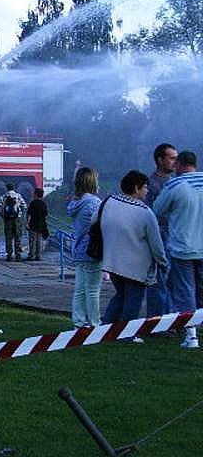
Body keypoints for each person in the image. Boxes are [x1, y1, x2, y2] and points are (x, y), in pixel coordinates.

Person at [99, 170, 167, 341]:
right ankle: (126, 335)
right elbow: (156, 244)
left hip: (112, 261)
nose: (147, 191)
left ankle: (104, 330)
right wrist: (163, 262)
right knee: (133, 301)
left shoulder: (109, 201)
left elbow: (95, 221)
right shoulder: (145, 212)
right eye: (145, 187)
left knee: (120, 295)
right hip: (137, 267)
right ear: (136, 188)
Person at [154, 150, 203, 349]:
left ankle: (191, 335)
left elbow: (157, 209)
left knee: (185, 291)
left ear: (181, 165)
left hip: (183, 247)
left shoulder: (176, 184)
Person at [144, 143, 178, 317]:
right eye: (171, 158)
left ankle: (171, 320)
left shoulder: (175, 182)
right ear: (160, 160)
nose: (175, 162)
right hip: (160, 237)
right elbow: (148, 214)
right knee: (159, 282)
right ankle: (156, 322)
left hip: (176, 237)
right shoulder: (152, 184)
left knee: (173, 282)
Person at [67, 167, 103, 328]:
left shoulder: (75, 203)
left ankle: (79, 322)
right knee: (93, 290)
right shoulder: (95, 203)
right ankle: (95, 322)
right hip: (93, 251)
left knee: (80, 289)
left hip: (78, 250)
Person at [0, 183, 27, 261]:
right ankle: (18, 255)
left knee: (8, 237)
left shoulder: (3, 196)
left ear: (7, 188)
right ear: (14, 188)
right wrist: (20, 214)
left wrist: (3, 216)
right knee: (18, 237)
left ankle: (9, 255)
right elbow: (24, 206)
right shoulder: (18, 196)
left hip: (7, 220)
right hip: (17, 220)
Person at [26, 188, 49, 261]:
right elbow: (45, 215)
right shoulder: (43, 204)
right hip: (41, 225)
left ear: (35, 194)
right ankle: (38, 255)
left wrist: (27, 223)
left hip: (33, 225)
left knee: (32, 241)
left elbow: (29, 214)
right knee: (39, 241)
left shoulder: (33, 203)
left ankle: (31, 255)